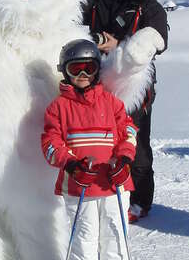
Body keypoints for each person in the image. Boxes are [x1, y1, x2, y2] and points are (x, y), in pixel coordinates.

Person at [82, 0, 168, 223]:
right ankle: (101, 191)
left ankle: (140, 200)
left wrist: (119, 46)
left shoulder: (146, 5)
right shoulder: (92, 2)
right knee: (96, 142)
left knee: (135, 144)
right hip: (95, 82)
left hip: (133, 86)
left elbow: (159, 41)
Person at [41, 39, 138, 260]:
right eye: (76, 68)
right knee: (84, 239)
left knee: (116, 236)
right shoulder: (59, 107)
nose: (83, 74)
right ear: (65, 71)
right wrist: (72, 165)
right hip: (80, 184)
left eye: (89, 68)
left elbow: (129, 131)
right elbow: (50, 144)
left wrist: (124, 159)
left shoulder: (111, 102)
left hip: (114, 182)